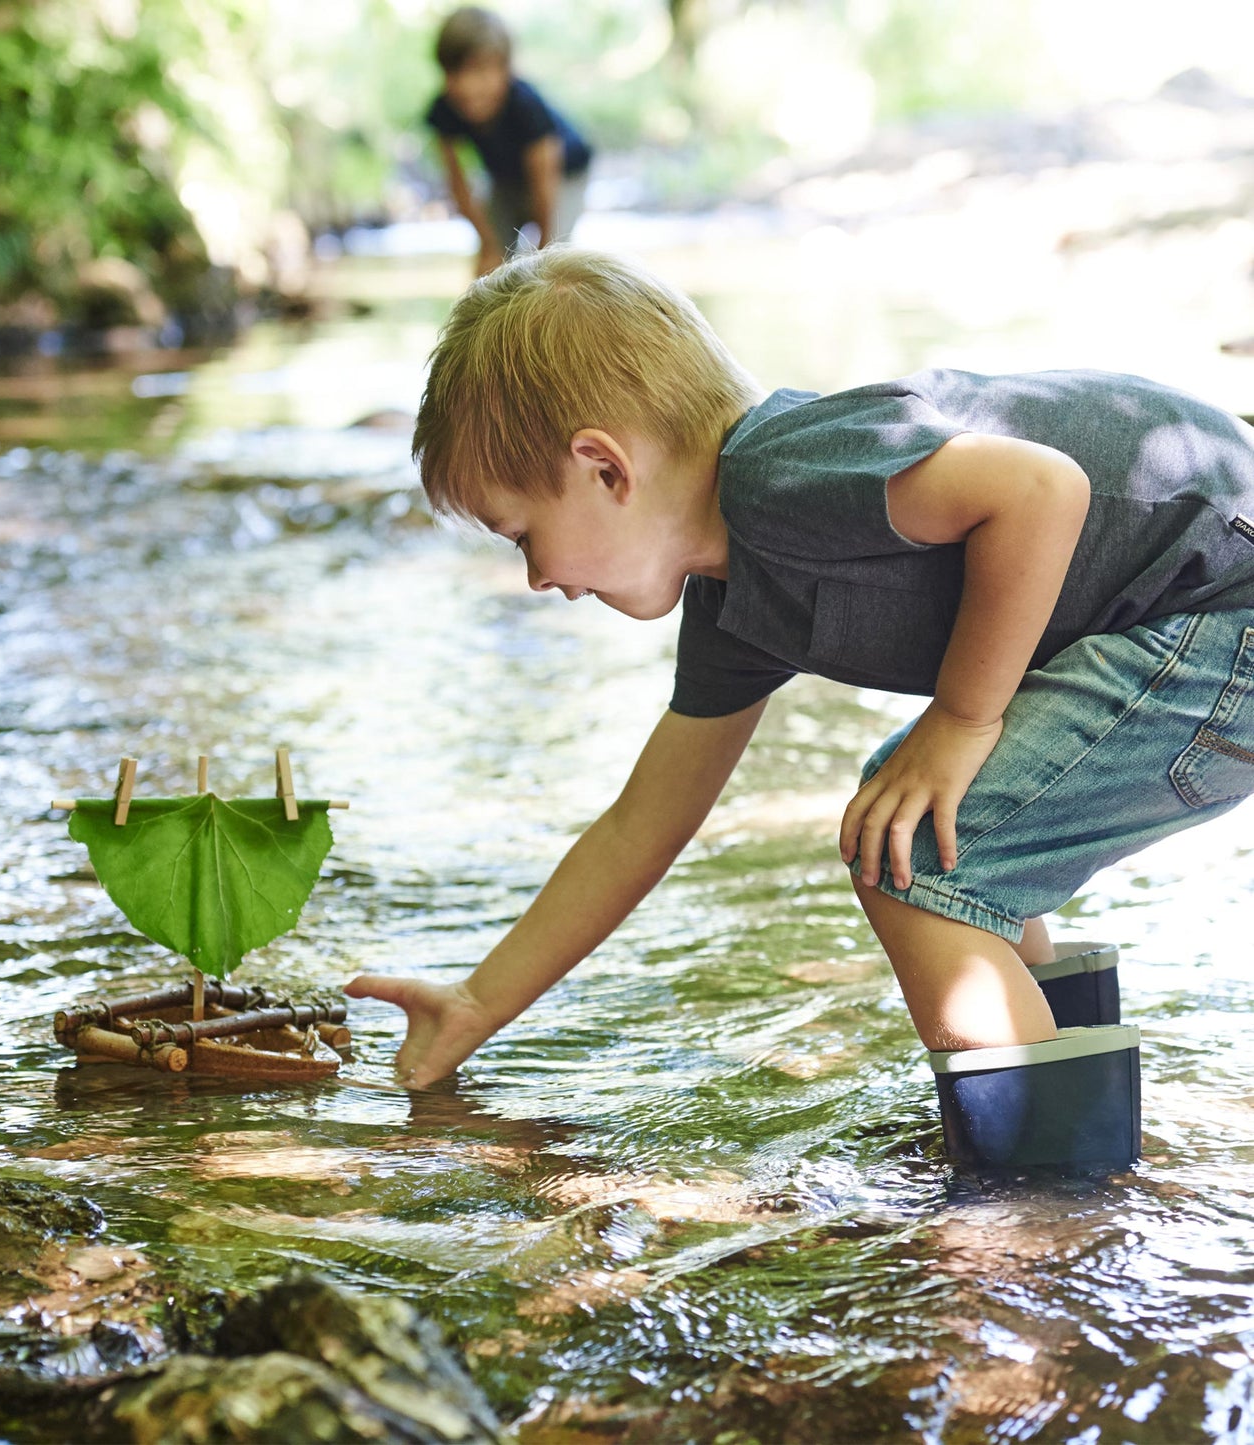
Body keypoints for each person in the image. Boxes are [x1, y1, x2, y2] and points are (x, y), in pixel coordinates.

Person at [346, 247, 1254, 1168]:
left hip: (1223, 612)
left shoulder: (783, 475)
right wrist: (478, 1000)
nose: (536, 577)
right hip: (1187, 619)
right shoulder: (734, 604)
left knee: (911, 852)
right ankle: (1074, 1154)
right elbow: (639, 826)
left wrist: (962, 720)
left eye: (522, 535)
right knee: (938, 833)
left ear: (603, 468)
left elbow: (1036, 489)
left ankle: (1044, 1205)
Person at [425, 7, 592, 278]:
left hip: (562, 175)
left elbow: (545, 174)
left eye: (480, 71)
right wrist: (488, 243)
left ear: (506, 68)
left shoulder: (525, 104)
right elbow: (458, 183)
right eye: (457, 73)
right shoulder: (444, 110)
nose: (469, 86)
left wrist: (544, 245)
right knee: (489, 265)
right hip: (507, 180)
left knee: (553, 263)